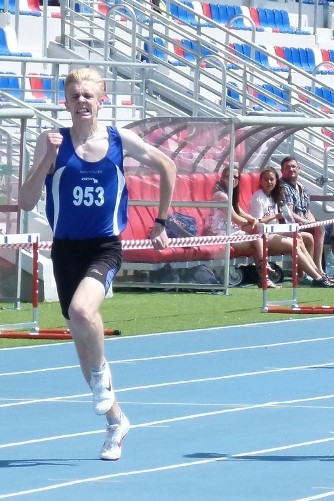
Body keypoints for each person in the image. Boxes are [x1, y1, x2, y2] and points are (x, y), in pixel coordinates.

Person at [18, 67, 177, 461]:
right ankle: (115, 422)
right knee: (83, 343)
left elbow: (167, 167)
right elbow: (24, 201)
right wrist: (48, 160)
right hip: (66, 250)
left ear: (102, 97)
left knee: (80, 309)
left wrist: (161, 221)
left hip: (104, 246)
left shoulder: (119, 139)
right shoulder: (52, 141)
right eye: (74, 96)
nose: (81, 102)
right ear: (65, 101)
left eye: (88, 95)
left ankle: (104, 380)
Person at [248, 167, 334, 287]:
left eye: (272, 179)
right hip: (262, 234)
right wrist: (275, 215)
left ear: (276, 181)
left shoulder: (274, 197)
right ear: (261, 181)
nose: (269, 182)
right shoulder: (258, 198)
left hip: (274, 231)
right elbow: (257, 223)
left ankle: (314, 273)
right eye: (266, 179)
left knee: (304, 237)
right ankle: (317, 277)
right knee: (293, 243)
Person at [202, 165, 278, 288]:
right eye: (229, 176)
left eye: (236, 177)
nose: (233, 180)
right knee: (256, 236)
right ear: (222, 178)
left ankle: (264, 272)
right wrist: (251, 224)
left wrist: (253, 221)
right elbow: (235, 218)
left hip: (231, 230)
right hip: (218, 234)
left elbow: (239, 211)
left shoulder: (230, 194)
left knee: (257, 233)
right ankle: (264, 271)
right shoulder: (221, 195)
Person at [280, 156, 329, 278]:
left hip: (302, 223)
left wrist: (312, 222)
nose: (291, 169)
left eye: (293, 166)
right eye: (287, 167)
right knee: (316, 231)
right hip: (289, 224)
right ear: (282, 171)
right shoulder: (283, 187)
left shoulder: (302, 187)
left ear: (299, 169)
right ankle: (316, 269)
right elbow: (289, 213)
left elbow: (307, 211)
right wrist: (306, 222)